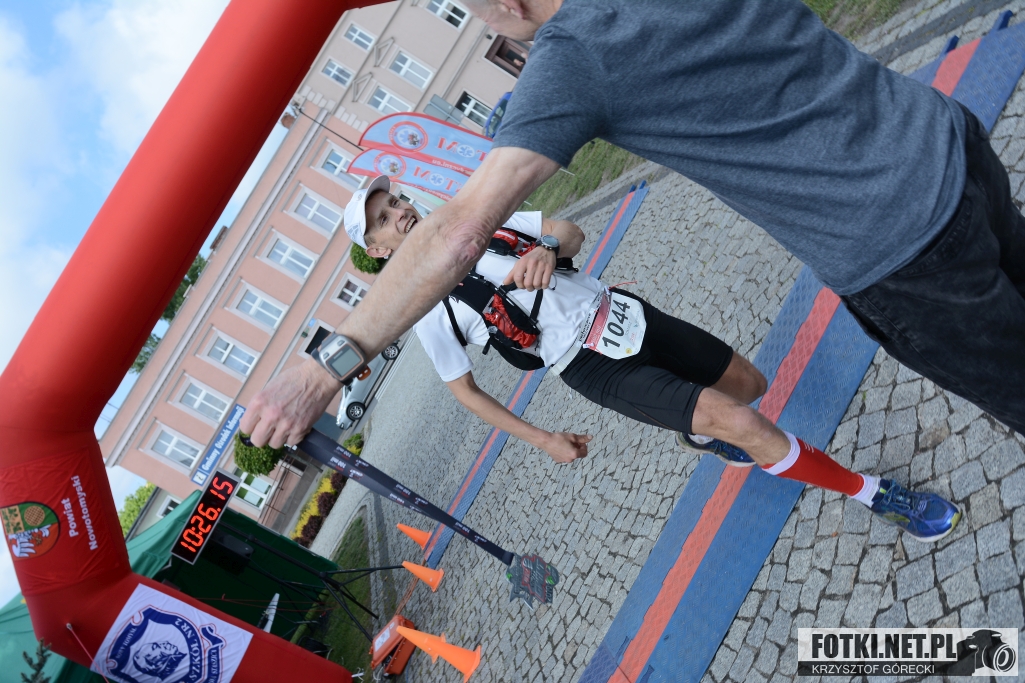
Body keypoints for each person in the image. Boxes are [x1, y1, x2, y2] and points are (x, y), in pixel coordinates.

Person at [241, 0, 1023, 474]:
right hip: (944, 139)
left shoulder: (572, 58)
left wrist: (323, 367)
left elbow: (458, 232)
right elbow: (463, 362)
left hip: (899, 244)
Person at [328, 177, 962, 541]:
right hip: (591, 367)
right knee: (741, 420)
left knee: (750, 384)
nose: (399, 213)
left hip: (625, 312)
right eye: (383, 219)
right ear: (378, 251)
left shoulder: (480, 223)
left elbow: (569, 230)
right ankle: (873, 494)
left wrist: (547, 247)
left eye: (395, 201)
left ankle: (701, 433)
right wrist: (543, 438)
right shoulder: (428, 315)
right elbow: (465, 392)